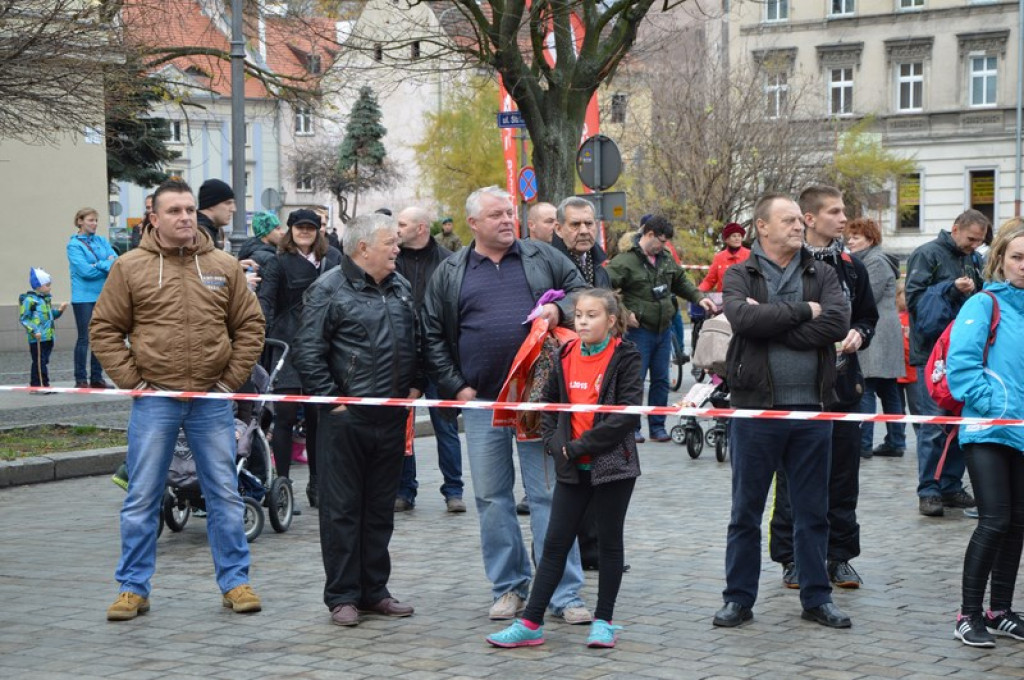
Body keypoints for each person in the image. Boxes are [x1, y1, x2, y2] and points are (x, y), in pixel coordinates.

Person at [91, 178, 266, 621]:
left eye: (190, 209)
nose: (186, 217)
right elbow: (105, 330)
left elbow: (250, 326)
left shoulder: (223, 265)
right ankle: (132, 589)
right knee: (142, 497)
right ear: (154, 218)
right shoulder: (129, 267)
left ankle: (236, 582)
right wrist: (136, 381)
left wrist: (228, 384)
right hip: (156, 401)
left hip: (211, 401)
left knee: (225, 494)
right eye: (175, 211)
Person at [422, 185, 591, 623]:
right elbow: (433, 334)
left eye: (509, 212)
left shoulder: (541, 256)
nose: (506, 220)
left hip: (540, 401)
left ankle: (564, 594)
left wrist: (560, 311)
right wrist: (456, 386)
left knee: (548, 496)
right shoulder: (451, 270)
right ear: (473, 223)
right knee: (492, 498)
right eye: (496, 214)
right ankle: (509, 588)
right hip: (482, 405)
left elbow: (584, 294)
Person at [713, 193, 851, 630]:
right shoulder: (740, 273)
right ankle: (738, 598)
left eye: (799, 220)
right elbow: (743, 321)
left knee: (813, 510)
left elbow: (836, 323)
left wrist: (773, 325)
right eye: (788, 220)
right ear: (762, 227)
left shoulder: (822, 271)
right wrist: (800, 313)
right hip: (756, 408)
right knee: (745, 512)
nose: (798, 226)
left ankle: (816, 597)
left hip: (812, 408)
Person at [486, 288, 642, 649]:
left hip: (612, 466)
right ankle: (531, 622)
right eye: (580, 315)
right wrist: (557, 447)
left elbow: (626, 417)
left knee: (608, 543)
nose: (584, 321)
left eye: (593, 315)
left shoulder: (626, 356)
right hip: (571, 465)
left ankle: (603, 621)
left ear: (611, 321)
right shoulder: (566, 352)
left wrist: (578, 447)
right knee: (555, 543)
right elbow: (549, 409)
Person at [291, 213, 422, 628]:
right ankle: (342, 596)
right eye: (390, 243)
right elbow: (307, 351)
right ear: (363, 248)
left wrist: (416, 383)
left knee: (380, 508)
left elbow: (414, 339)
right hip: (345, 419)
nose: (397, 249)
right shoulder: (327, 289)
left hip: (390, 416)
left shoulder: (400, 288)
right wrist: (334, 403)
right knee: (342, 509)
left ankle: (374, 591)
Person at [769, 186, 877, 591]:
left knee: (843, 475)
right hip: (795, 387)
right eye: (834, 211)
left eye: (844, 210)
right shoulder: (784, 267)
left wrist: (858, 335)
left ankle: (839, 556)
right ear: (810, 219)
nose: (843, 218)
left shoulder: (852, 267)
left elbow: (868, 316)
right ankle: (792, 558)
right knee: (792, 477)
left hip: (844, 385)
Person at [946, 220, 1024, 647]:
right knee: (994, 520)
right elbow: (961, 370)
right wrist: (1000, 407)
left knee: (1017, 524)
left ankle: (1000, 611)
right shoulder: (983, 304)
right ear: (1001, 260)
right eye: (1017, 257)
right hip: (988, 430)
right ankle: (968, 613)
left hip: (1023, 432)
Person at [258, 208, 342, 509]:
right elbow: (265, 301)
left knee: (319, 418)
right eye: (299, 227)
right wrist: (264, 334)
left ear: (318, 230)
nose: (305, 232)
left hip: (323, 346)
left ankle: (318, 482)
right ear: (290, 230)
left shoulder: (333, 259)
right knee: (286, 416)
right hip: (289, 344)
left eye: (310, 227)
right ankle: (283, 484)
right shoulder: (277, 263)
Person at [905, 210, 988, 517]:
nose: (975, 245)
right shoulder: (926, 254)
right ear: (955, 229)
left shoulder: (974, 258)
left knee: (958, 423)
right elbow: (913, 301)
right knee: (933, 425)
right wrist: (952, 288)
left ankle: (951, 486)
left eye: (980, 241)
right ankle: (929, 490)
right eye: (971, 239)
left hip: (964, 352)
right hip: (931, 354)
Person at [606, 215, 714, 442]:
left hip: (663, 330)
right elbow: (606, 291)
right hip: (638, 331)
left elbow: (681, 281)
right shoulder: (624, 262)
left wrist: (699, 298)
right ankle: (632, 428)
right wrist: (624, 314)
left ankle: (657, 426)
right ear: (649, 235)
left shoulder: (664, 258)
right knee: (634, 380)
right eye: (661, 241)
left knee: (661, 380)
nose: (664, 246)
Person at [393, 206, 465, 514]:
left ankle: (453, 490)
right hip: (401, 356)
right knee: (402, 428)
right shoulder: (390, 261)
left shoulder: (448, 263)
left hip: (439, 356)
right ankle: (404, 491)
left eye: (403, 224)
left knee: (446, 427)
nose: (397, 229)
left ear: (421, 228)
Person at [846, 218, 906, 458]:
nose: (850, 242)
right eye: (849, 238)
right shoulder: (870, 259)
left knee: (868, 387)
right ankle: (895, 441)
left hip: (879, 333)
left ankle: (865, 443)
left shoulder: (875, 261)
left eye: (856, 238)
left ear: (870, 240)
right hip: (883, 331)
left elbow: (865, 296)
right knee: (886, 389)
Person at [66, 206, 117, 389]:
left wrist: (99, 264)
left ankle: (97, 377)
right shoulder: (74, 245)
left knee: (99, 336)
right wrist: (105, 265)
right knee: (84, 338)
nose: (94, 224)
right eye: (90, 220)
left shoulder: (102, 240)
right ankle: (80, 379)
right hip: (83, 298)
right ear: (80, 221)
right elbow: (85, 271)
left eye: (96, 220)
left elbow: (116, 261)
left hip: (102, 295)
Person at [19, 268, 67, 392]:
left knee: (43, 361)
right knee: (39, 361)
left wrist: (60, 311)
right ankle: (39, 384)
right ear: (39, 286)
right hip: (38, 337)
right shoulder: (30, 301)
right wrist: (35, 331)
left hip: (48, 336)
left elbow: (50, 315)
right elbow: (25, 318)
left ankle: (41, 383)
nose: (50, 288)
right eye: (47, 285)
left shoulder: (45, 300)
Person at [550, 197, 610, 289]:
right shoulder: (548, 267)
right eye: (575, 224)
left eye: (589, 223)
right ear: (558, 229)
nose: (584, 231)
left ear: (596, 225)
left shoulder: (600, 267)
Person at [698, 223, 750, 293]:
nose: (737, 238)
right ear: (727, 239)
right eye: (734, 236)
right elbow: (709, 281)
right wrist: (696, 293)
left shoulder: (750, 255)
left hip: (746, 299)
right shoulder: (719, 257)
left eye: (739, 236)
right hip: (724, 299)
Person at [197, 179, 236, 249]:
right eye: (228, 203)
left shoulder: (215, 230)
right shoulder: (199, 235)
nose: (233, 209)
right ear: (211, 204)